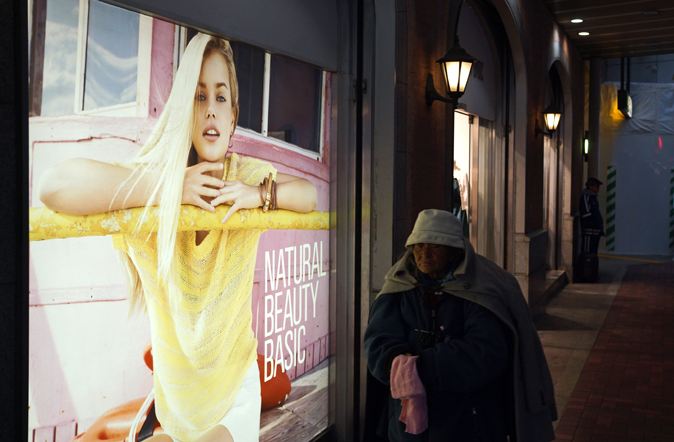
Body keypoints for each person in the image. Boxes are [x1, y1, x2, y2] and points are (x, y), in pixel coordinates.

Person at [39, 33, 317, 442]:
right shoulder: (155, 179)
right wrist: (172, 187)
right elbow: (53, 185)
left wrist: (260, 195)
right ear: (183, 109)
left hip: (232, 393)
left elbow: (308, 195)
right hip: (176, 399)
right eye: (198, 96)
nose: (210, 111)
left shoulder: (245, 175)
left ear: (234, 116)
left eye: (221, 98)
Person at [364, 209, 556, 442]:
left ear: (454, 252)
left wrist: (422, 367)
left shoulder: (482, 287)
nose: (424, 253)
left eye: (435, 246)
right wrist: (394, 360)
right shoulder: (400, 285)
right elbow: (378, 339)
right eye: (419, 245)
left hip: (468, 421)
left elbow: (486, 352)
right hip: (406, 422)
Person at [579, 177, 604, 255]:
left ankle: (591, 266)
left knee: (593, 252)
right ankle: (586, 266)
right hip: (589, 230)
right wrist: (594, 223)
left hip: (595, 231)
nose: (598, 188)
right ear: (590, 186)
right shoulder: (586, 197)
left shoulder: (593, 198)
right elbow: (586, 214)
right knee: (587, 252)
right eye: (596, 186)